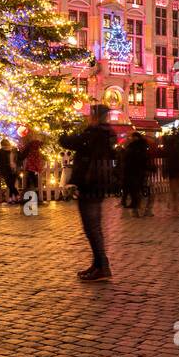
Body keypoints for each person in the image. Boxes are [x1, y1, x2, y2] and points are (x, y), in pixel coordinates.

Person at [60, 105, 116, 281]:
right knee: (94, 227)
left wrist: (64, 129)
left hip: (89, 182)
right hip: (98, 183)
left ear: (95, 117)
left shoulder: (94, 134)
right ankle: (98, 264)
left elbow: (68, 142)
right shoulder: (105, 134)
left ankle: (102, 267)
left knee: (91, 227)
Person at [122, 132, 151, 215]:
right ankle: (136, 205)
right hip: (133, 170)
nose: (132, 138)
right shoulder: (135, 146)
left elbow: (140, 158)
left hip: (135, 170)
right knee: (134, 188)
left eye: (133, 137)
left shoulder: (136, 147)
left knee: (135, 188)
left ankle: (137, 207)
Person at [19, 128, 45, 208]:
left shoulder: (29, 145)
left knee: (29, 182)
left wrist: (20, 156)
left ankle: (29, 198)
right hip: (35, 165)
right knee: (34, 181)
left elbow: (24, 154)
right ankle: (35, 198)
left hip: (31, 165)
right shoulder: (37, 144)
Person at [0, 137, 19, 204]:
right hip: (11, 170)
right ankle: (13, 198)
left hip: (7, 170)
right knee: (11, 185)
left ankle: (13, 198)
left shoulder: (1, 151)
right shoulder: (12, 151)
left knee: (10, 185)